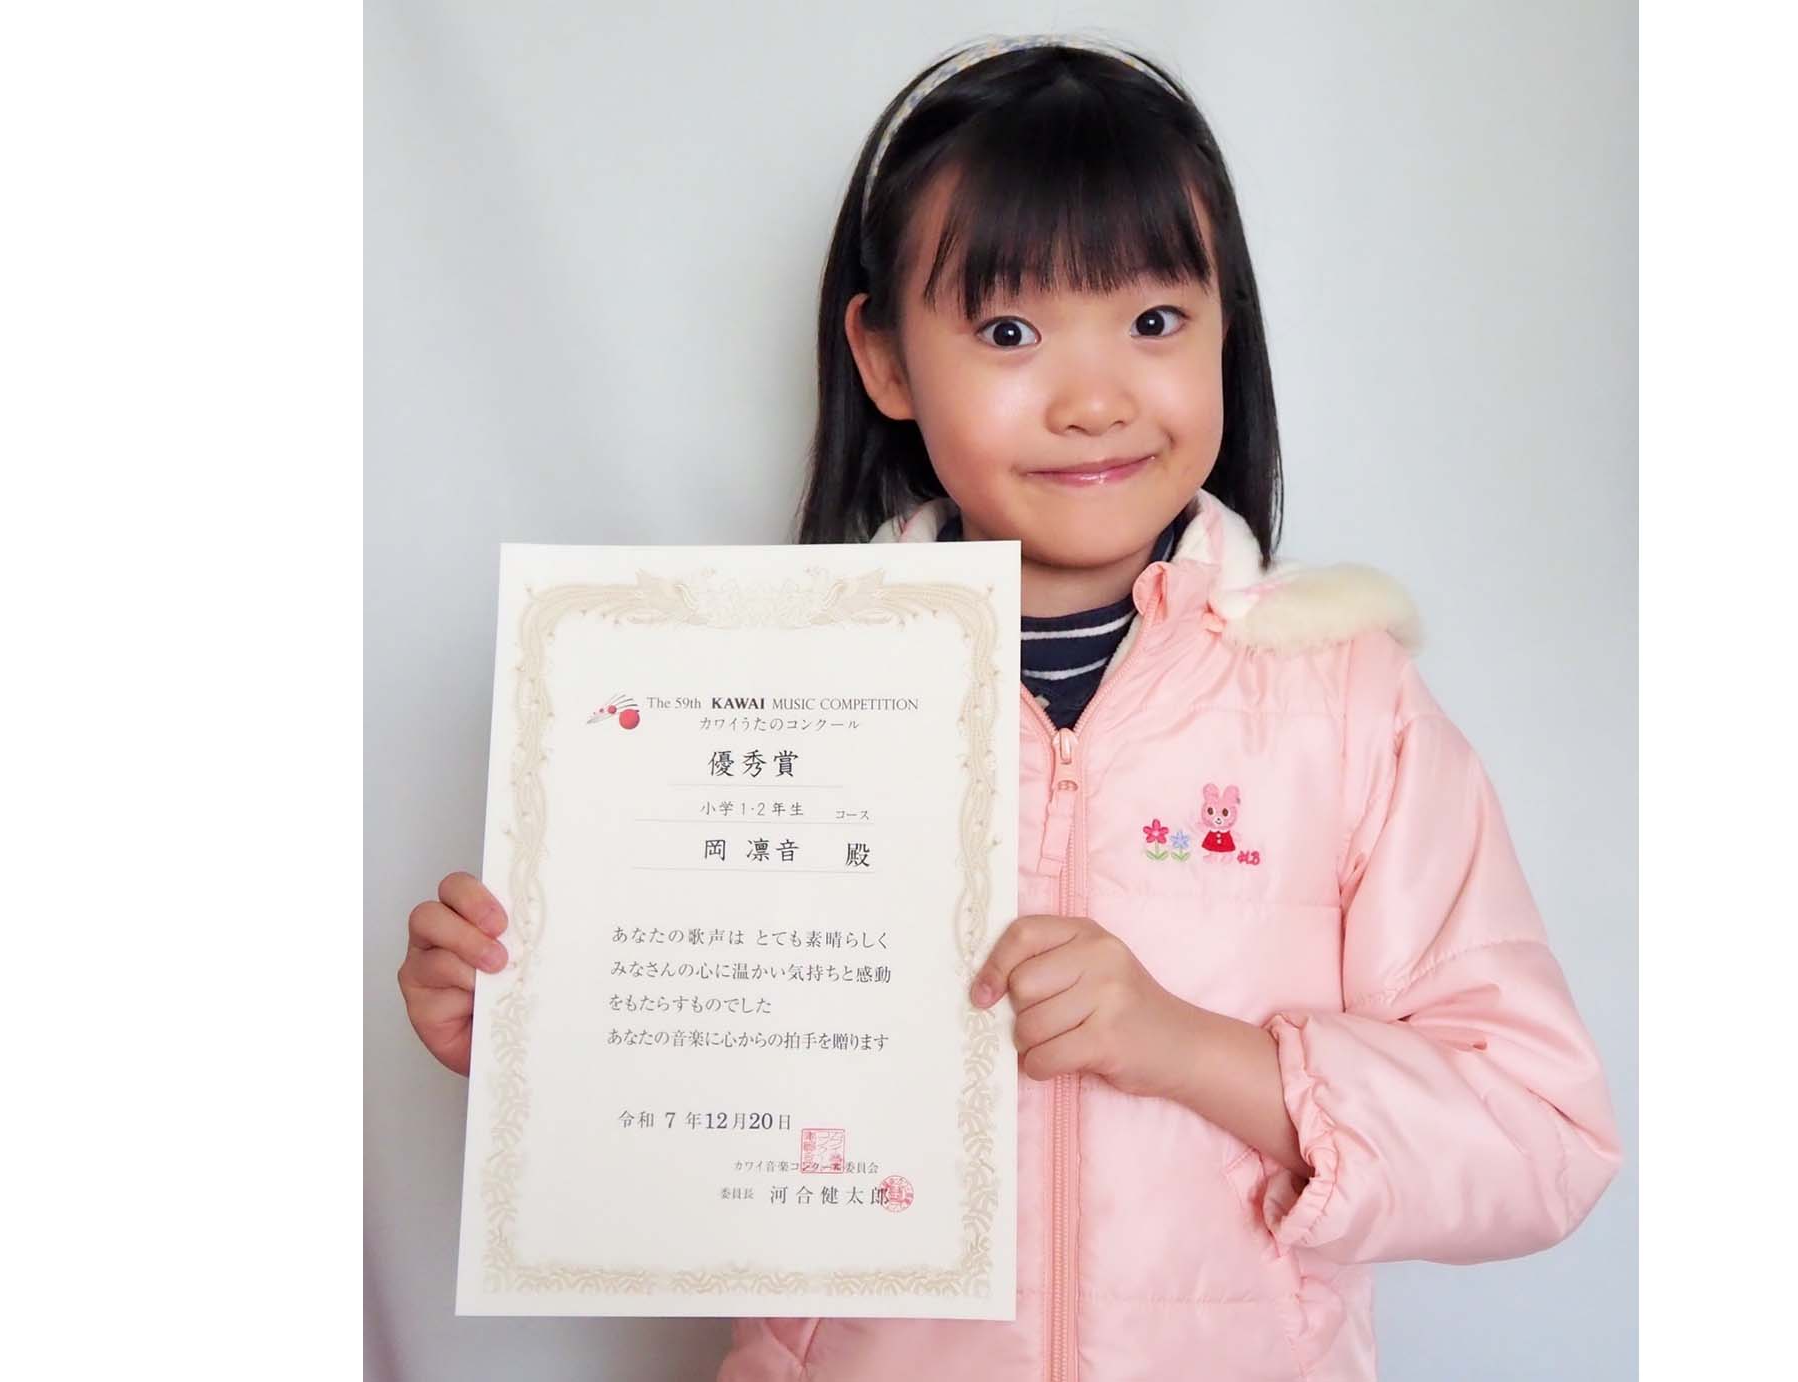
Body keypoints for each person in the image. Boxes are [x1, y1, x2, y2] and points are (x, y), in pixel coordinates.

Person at [397, 34, 1621, 1381]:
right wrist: (542, 1037)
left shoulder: (1345, 703)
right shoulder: (764, 689)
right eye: (1009, 331)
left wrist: (1188, 1048)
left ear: (1228, 328)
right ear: (885, 359)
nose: (1094, 400)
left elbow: (1540, 1133)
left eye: (1155, 321)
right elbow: (722, 1101)